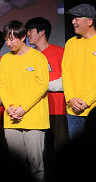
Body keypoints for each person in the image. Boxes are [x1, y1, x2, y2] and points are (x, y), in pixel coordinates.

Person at [0, 20, 49, 182]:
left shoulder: (38, 57)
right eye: (6, 39)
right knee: (16, 164)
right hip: (11, 117)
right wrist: (10, 107)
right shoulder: (5, 59)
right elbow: (2, 86)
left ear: (22, 37)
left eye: (11, 39)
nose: (8, 43)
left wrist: (23, 108)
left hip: (33, 118)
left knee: (36, 164)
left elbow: (42, 86)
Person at [62, 4, 96, 139]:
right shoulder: (70, 44)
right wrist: (70, 98)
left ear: (89, 21)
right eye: (73, 18)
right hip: (73, 110)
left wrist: (86, 101)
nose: (73, 22)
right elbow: (66, 74)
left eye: (77, 18)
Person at [25, 17, 68, 153]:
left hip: (57, 109)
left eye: (30, 30)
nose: (27, 34)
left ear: (42, 32)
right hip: (34, 110)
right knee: (39, 152)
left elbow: (67, 81)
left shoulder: (61, 52)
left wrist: (41, 85)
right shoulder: (28, 56)